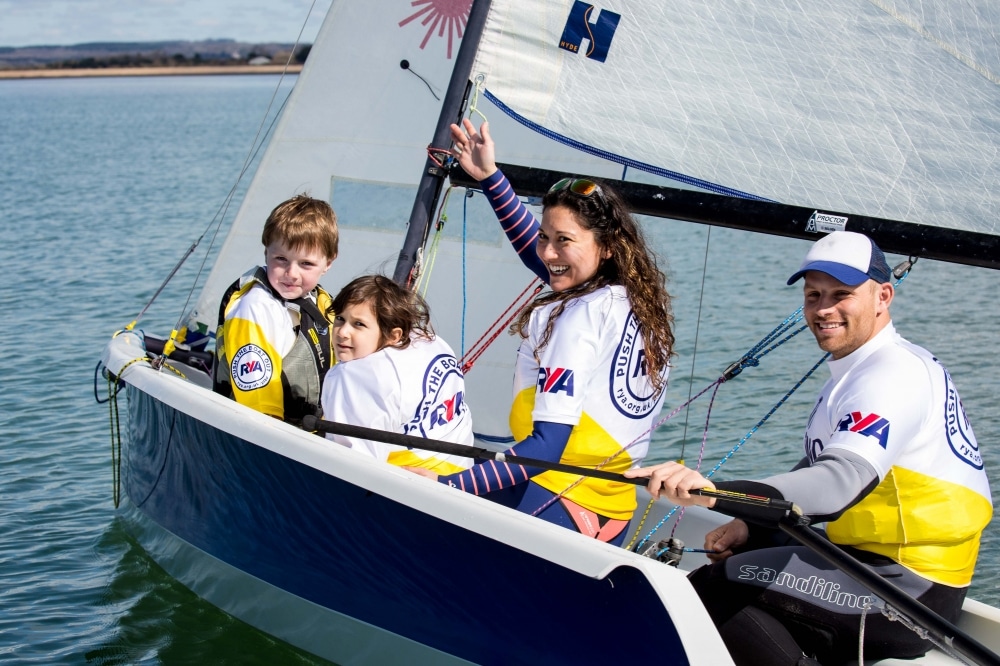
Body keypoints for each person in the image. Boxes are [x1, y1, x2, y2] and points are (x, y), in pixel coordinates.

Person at [625, 231, 993, 665]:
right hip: (871, 564)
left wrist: (716, 492)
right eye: (813, 294)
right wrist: (753, 524)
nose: (823, 309)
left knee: (714, 587)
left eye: (842, 294)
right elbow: (820, 464)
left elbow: (838, 483)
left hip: (908, 593)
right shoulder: (859, 370)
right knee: (747, 553)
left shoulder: (893, 376)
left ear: (883, 296)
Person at [404, 119, 676, 547]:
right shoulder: (631, 298)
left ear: (606, 247)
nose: (548, 252)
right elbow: (546, 259)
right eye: (545, 236)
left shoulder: (579, 318)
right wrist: (492, 179)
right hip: (609, 506)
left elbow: (546, 447)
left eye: (563, 240)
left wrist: (449, 487)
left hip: (558, 500)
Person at [320, 275, 475, 473]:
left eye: (359, 324)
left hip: (411, 487)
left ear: (394, 336)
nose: (342, 332)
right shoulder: (432, 342)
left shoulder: (355, 376)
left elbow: (354, 466)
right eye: (340, 319)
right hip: (462, 476)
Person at [214, 194, 339, 424]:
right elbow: (261, 415)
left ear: (328, 263)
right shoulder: (255, 308)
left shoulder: (320, 302)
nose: (291, 273)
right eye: (281, 259)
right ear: (266, 253)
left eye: (306, 264)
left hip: (316, 431)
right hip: (274, 435)